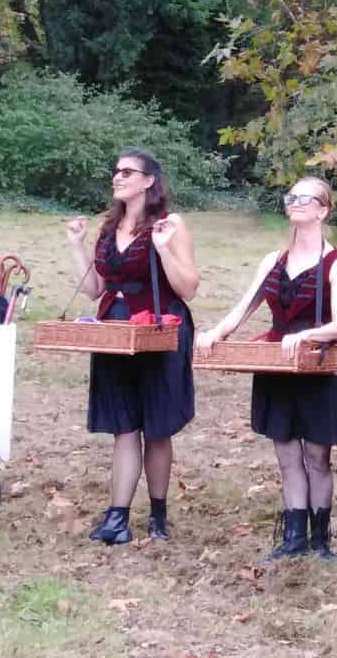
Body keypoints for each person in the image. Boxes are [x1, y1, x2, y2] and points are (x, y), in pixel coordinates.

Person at [196, 177, 337, 560]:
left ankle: (320, 541)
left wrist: (308, 336)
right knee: (287, 457)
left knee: (317, 457)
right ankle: (293, 540)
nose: (297, 202)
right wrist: (214, 333)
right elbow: (243, 308)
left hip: (318, 366)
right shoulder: (273, 261)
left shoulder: (335, 264)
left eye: (307, 198)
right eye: (292, 196)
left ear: (323, 209)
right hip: (277, 365)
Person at [65, 149, 199, 544]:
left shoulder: (170, 224)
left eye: (127, 171)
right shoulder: (109, 228)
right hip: (114, 332)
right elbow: (93, 291)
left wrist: (161, 249)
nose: (117, 177)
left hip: (161, 328)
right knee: (124, 427)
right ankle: (116, 518)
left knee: (156, 428)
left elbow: (189, 287)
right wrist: (77, 245)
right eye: (116, 171)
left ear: (149, 180)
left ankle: (158, 516)